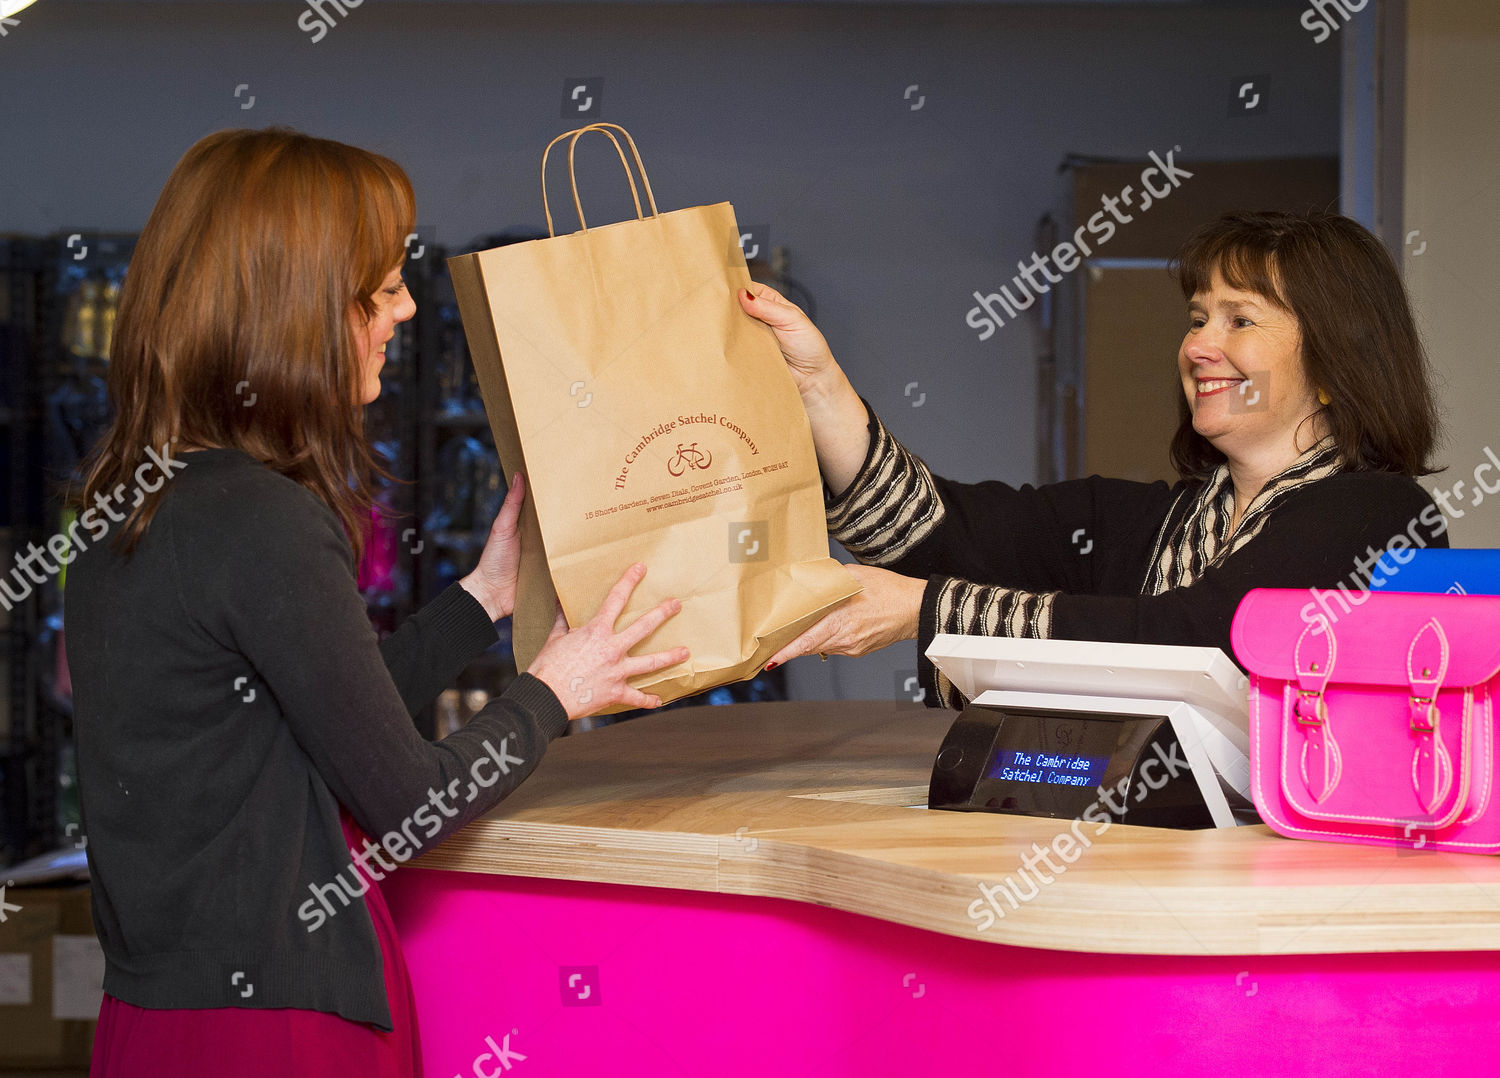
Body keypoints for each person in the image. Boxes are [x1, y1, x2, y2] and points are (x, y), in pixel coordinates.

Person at [65, 128, 688, 1077]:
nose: (401, 311)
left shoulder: (149, 500)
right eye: (383, 287)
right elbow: (411, 799)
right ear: (298, 308)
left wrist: (482, 597)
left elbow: (319, 708)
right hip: (276, 1032)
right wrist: (557, 692)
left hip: (157, 1021)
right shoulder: (262, 521)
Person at [740, 210, 1445, 707]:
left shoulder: (1380, 516)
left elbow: (1207, 641)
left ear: (1334, 363)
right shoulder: (1145, 521)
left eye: (1240, 319)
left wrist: (924, 610)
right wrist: (818, 383)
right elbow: (938, 533)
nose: (1199, 345)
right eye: (1198, 318)